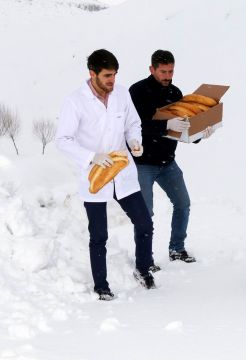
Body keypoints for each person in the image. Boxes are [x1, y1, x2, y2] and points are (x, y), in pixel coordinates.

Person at [56, 49, 156, 301]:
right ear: (92, 74)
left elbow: (133, 123)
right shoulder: (74, 101)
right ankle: (101, 285)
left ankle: (143, 270)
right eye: (107, 75)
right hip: (94, 175)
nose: (113, 80)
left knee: (145, 224)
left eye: (115, 75)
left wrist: (135, 140)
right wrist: (91, 157)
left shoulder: (122, 94)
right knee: (99, 235)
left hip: (123, 171)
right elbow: (63, 140)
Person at [128, 50, 215, 270]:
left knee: (183, 204)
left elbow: (183, 129)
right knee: (145, 214)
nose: (168, 75)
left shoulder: (176, 92)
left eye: (171, 71)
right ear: (152, 69)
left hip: (168, 162)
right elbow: (134, 126)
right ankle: (145, 259)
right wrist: (165, 125)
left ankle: (177, 248)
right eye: (163, 71)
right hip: (143, 163)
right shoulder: (137, 91)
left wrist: (200, 133)